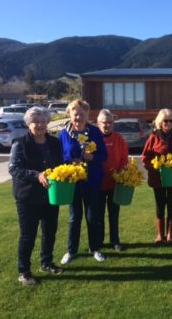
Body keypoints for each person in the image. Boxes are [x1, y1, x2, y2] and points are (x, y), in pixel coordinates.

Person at [9, 106, 64, 286]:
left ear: (48, 122)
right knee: (28, 235)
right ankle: (24, 271)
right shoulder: (20, 143)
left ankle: (46, 263)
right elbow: (14, 169)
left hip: (51, 195)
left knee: (49, 232)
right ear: (28, 124)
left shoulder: (54, 142)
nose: (40, 125)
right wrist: (37, 175)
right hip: (27, 197)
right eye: (35, 122)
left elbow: (60, 165)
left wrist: (72, 168)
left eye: (43, 121)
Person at [59, 99, 108, 264]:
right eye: (75, 114)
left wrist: (92, 157)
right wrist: (70, 161)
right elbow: (59, 156)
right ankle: (71, 251)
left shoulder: (94, 132)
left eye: (82, 114)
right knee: (74, 217)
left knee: (92, 217)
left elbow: (104, 155)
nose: (78, 117)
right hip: (73, 183)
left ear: (87, 115)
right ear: (69, 115)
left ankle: (95, 249)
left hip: (92, 180)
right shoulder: (63, 133)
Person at [141, 109, 172, 242]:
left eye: (170, 121)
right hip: (158, 179)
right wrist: (153, 167)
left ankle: (170, 234)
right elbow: (145, 157)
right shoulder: (153, 137)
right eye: (165, 121)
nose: (168, 123)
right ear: (160, 122)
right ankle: (159, 234)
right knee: (160, 204)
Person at [97, 109, 129, 252]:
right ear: (98, 123)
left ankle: (115, 241)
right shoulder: (93, 138)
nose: (107, 125)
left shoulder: (118, 139)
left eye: (110, 122)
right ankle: (98, 241)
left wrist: (121, 173)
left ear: (113, 124)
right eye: (104, 122)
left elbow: (124, 158)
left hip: (115, 184)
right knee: (98, 214)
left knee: (114, 213)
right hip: (97, 184)